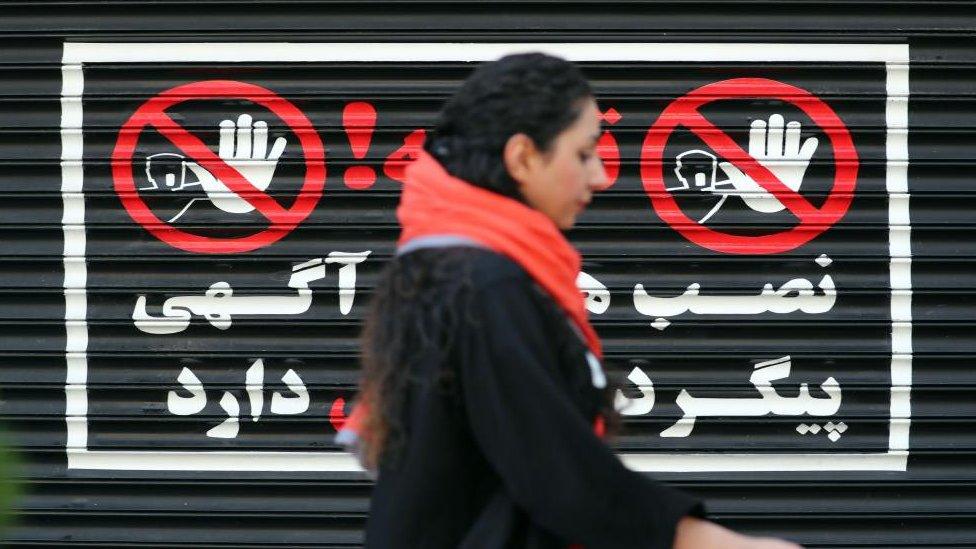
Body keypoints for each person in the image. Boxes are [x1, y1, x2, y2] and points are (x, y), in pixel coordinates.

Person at [338, 52, 801, 549]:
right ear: (522, 158)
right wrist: (716, 543)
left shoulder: (451, 268)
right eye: (582, 155)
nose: (600, 177)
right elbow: (556, 471)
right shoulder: (485, 285)